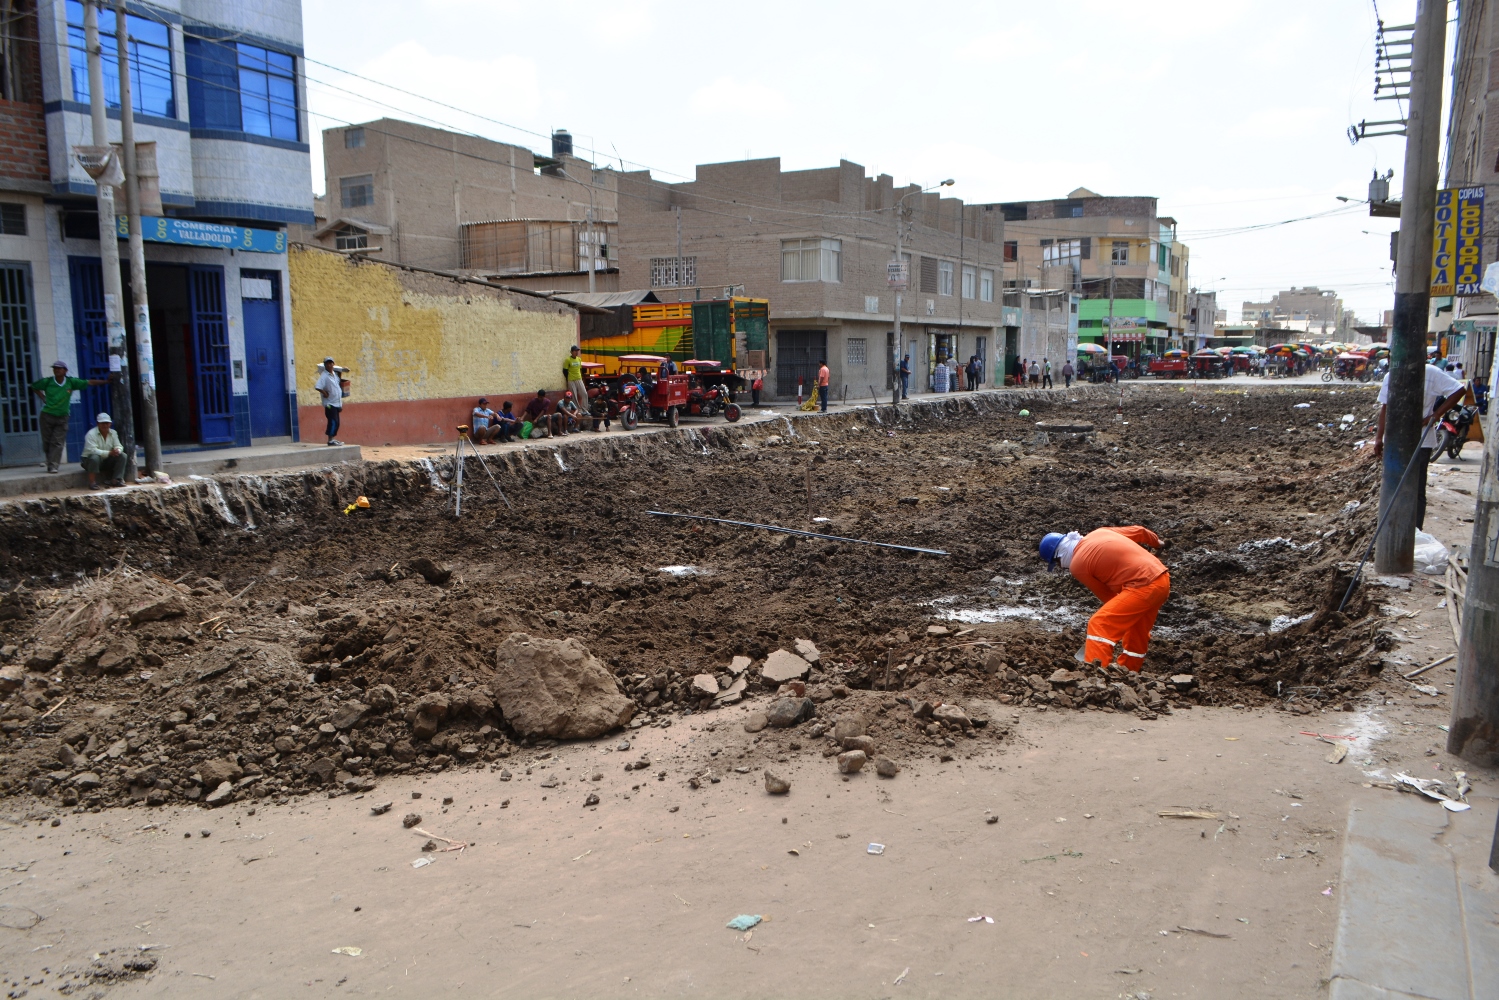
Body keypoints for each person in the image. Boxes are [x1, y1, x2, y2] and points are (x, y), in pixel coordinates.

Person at [1040, 525, 1170, 671]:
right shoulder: (1100, 532)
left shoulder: (1077, 566)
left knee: (1099, 624)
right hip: (1162, 580)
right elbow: (1140, 531)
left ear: (1059, 555)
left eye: (1057, 563)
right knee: (1136, 630)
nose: (1061, 567)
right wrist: (1157, 543)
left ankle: (1097, 675)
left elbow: (1108, 596)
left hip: (1142, 587)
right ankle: (1130, 671)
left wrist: (1118, 614)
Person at [1370, 362, 1466, 528]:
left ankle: (1415, 531)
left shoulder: (1431, 372)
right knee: (1394, 487)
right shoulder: (1390, 375)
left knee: (1417, 489)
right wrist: (1379, 438)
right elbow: (1385, 408)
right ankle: (1394, 527)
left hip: (1421, 440)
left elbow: (1459, 390)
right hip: (1395, 441)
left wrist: (1435, 415)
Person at [30, 361, 109, 474]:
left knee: (57, 442)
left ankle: (53, 465)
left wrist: (106, 381)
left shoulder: (71, 382)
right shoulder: (47, 382)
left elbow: (89, 382)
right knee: (47, 442)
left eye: (59, 368)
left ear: (65, 371)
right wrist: (42, 397)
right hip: (47, 415)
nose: (57, 370)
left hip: (62, 417)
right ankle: (50, 460)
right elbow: (34, 386)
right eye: (55, 368)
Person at [81, 412, 126, 489]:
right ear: (97, 424)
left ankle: (116, 479)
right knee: (95, 457)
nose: (105, 425)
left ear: (110, 424)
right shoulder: (91, 434)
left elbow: (118, 445)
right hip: (89, 461)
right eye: (102, 423)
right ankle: (92, 482)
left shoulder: (113, 433)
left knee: (123, 455)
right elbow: (92, 450)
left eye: (107, 423)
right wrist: (109, 453)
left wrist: (117, 450)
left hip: (105, 460)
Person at [315, 357, 344, 446]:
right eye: (327, 363)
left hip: (336, 403)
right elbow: (318, 386)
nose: (329, 365)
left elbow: (337, 385)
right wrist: (325, 393)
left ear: (333, 364)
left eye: (331, 363)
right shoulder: (324, 376)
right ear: (325, 365)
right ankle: (330, 440)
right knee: (333, 421)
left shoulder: (334, 374)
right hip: (329, 404)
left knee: (337, 422)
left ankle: (333, 439)